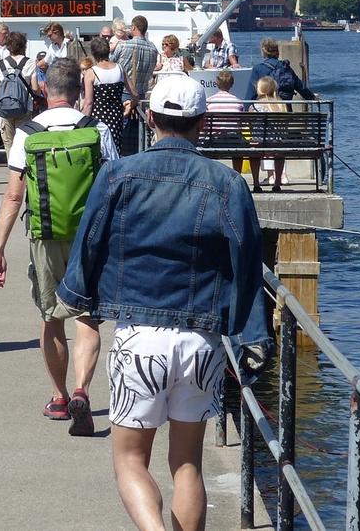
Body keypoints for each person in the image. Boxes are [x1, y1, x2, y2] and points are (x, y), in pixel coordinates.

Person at [56, 75, 269, 531]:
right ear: (203, 122)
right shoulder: (228, 184)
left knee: (130, 461)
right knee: (188, 463)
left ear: (150, 118)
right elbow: (247, 262)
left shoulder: (117, 175)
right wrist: (252, 337)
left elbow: (89, 242)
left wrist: (76, 296)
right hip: (201, 339)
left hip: (138, 335)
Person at [0, 59, 118, 435]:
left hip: (44, 235)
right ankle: (82, 389)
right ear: (79, 92)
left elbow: (13, 197)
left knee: (51, 317)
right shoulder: (97, 129)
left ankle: (59, 397)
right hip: (89, 238)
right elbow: (114, 187)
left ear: (44, 90)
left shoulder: (28, 133)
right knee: (87, 318)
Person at [110, 15, 160, 156]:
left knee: (120, 129)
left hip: (124, 93)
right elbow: (151, 72)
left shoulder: (123, 45)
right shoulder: (153, 49)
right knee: (138, 132)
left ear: (133, 28)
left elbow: (112, 65)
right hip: (142, 95)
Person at [0, 30, 38, 152]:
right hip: (24, 108)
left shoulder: (0, 64)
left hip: (5, 109)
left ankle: (12, 169)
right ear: (23, 45)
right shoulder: (30, 62)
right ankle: (23, 169)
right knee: (23, 141)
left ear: (8, 46)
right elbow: (35, 89)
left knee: (9, 142)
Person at [83, 36, 127, 148]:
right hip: (117, 117)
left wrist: (82, 123)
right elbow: (135, 94)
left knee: (99, 151)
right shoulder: (120, 69)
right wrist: (131, 104)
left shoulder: (91, 73)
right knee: (115, 149)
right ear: (108, 50)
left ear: (93, 53)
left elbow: (88, 103)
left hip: (98, 119)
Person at [206, 69, 249, 179]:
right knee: (239, 140)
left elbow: (205, 125)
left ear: (216, 83)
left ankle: (210, 176)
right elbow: (241, 125)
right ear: (232, 84)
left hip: (214, 141)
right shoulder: (238, 102)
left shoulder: (209, 101)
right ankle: (237, 176)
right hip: (234, 141)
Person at [249, 76, 287, 192]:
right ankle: (277, 183)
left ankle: (256, 183)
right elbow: (284, 128)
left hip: (258, 144)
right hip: (276, 144)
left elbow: (251, 125)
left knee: (253, 151)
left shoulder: (254, 106)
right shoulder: (281, 106)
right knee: (280, 153)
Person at [247, 37, 315, 102]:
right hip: (286, 110)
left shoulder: (258, 69)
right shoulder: (286, 68)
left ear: (263, 52)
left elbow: (251, 94)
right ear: (278, 52)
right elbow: (302, 88)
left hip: (267, 110)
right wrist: (313, 97)